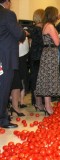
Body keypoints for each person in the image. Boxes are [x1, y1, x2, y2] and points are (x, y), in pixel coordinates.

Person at [0, 0, 26, 128]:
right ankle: (2, 119)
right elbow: (19, 34)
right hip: (5, 58)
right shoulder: (7, 14)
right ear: (7, 2)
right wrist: (23, 32)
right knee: (4, 89)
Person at [35, 6, 60, 115]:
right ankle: (47, 106)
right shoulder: (50, 26)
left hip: (47, 53)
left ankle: (47, 105)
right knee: (49, 79)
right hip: (50, 54)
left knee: (46, 79)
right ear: (53, 14)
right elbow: (57, 42)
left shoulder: (45, 25)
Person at [29, 9, 45, 110]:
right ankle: (38, 103)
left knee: (37, 80)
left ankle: (37, 103)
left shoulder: (34, 29)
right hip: (37, 58)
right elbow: (41, 45)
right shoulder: (37, 30)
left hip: (35, 58)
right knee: (37, 81)